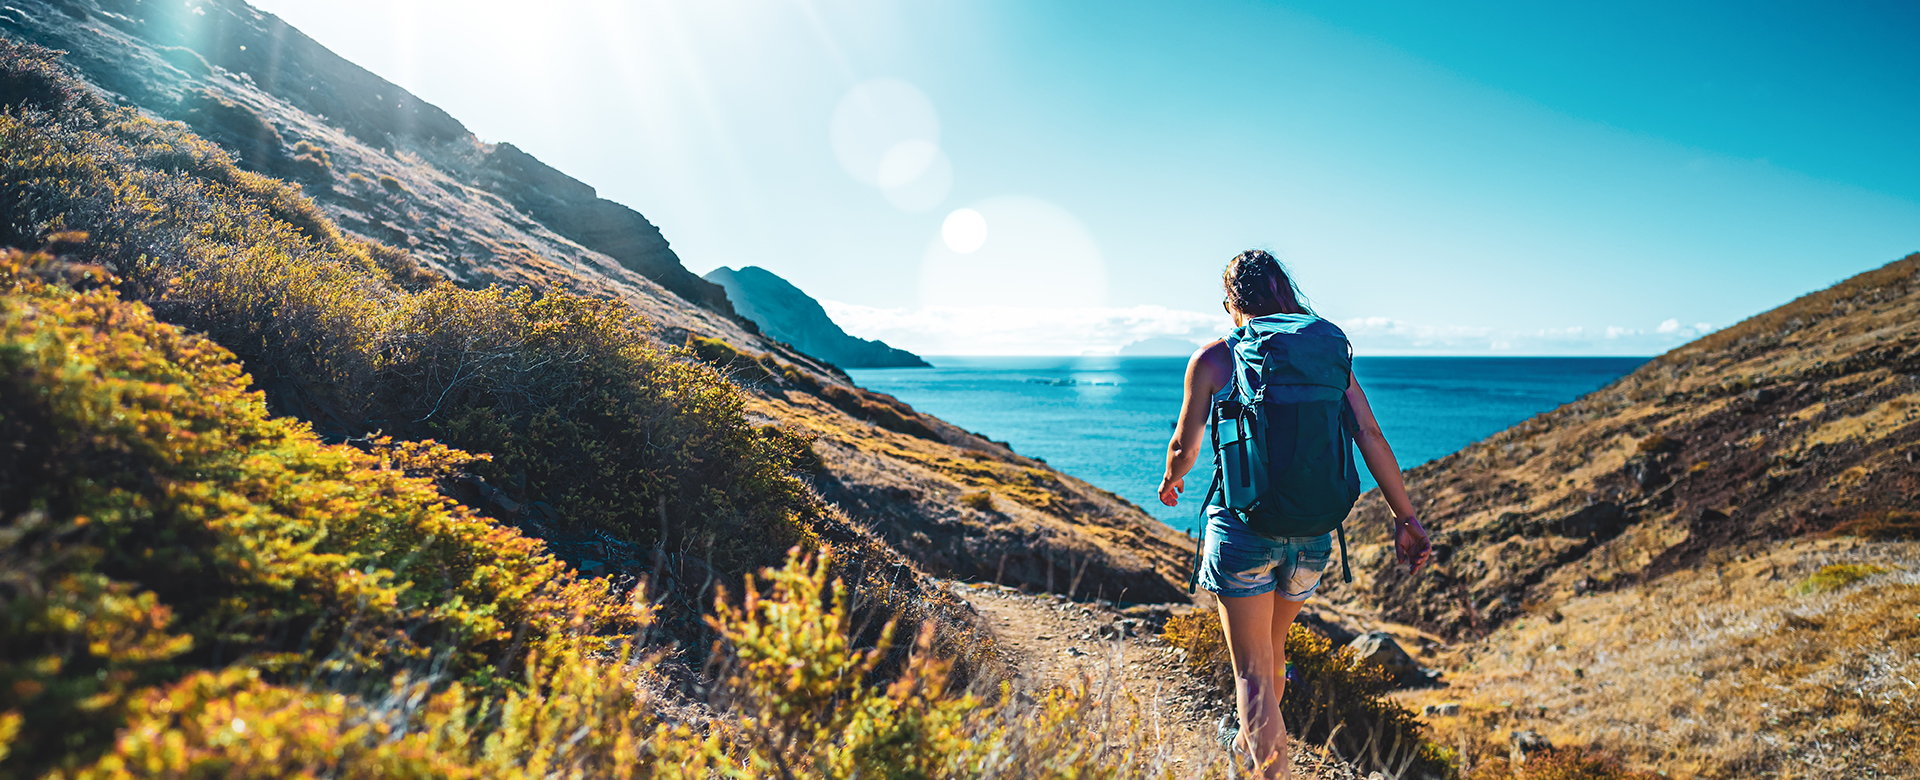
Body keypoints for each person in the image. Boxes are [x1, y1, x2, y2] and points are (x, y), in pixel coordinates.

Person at [1158, 249, 1433, 779]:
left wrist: (1173, 478)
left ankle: (1270, 771)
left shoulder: (1216, 357)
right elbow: (1369, 435)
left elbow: (1184, 445)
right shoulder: (1328, 354)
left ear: (1232, 302)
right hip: (1312, 536)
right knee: (1273, 649)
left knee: (1253, 675)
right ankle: (1249, 746)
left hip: (1244, 530)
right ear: (1286, 292)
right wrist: (1407, 517)